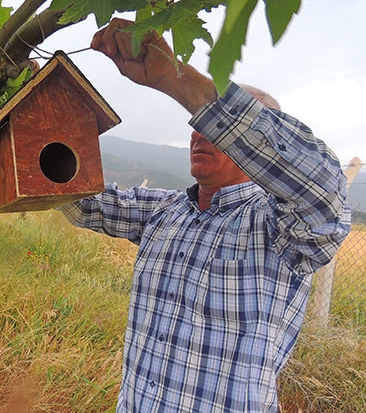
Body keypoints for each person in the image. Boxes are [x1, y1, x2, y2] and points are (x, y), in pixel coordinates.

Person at [59, 18, 351, 412]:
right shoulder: (165, 212)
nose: (199, 133)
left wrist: (177, 81)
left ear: (257, 150)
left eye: (217, 126)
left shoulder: (282, 230)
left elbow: (323, 189)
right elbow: (82, 200)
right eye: (198, 125)